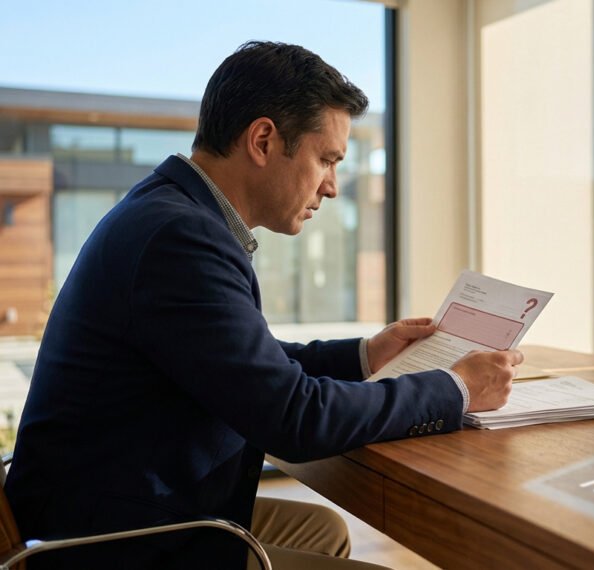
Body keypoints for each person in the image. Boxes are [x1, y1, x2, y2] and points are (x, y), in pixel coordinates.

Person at [4, 41, 522, 569]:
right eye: (326, 159)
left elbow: (249, 362)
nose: (333, 187)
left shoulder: (169, 212)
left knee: (318, 527)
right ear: (264, 139)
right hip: (112, 545)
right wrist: (455, 389)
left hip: (113, 507)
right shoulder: (180, 239)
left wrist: (367, 354)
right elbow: (293, 419)